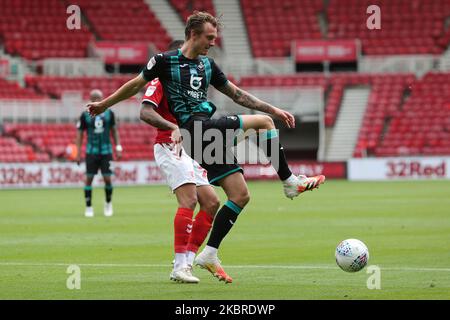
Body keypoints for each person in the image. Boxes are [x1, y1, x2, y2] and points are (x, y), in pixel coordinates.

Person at [87, 11, 325, 283]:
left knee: (240, 195)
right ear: (193, 34)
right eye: (209, 37)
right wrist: (104, 104)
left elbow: (237, 94)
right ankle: (290, 182)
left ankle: (209, 253)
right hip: (194, 131)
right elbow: (135, 86)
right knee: (263, 123)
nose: (213, 42)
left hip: (204, 138)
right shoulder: (164, 62)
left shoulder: (208, 65)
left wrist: (275, 107)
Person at [139, 40, 220, 284]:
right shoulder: (161, 78)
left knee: (212, 202)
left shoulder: (190, 84)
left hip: (189, 148)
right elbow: (145, 111)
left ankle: (187, 262)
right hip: (168, 145)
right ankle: (179, 266)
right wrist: (172, 126)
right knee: (189, 199)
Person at [76, 89, 122, 218]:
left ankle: (108, 204)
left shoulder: (109, 113)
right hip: (91, 151)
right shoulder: (84, 115)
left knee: (107, 179)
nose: (96, 100)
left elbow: (114, 131)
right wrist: (78, 153)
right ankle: (89, 207)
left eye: (98, 98)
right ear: (90, 99)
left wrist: (118, 147)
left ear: (102, 98)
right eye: (94, 98)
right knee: (88, 179)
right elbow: (79, 134)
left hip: (106, 151)